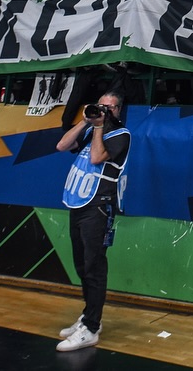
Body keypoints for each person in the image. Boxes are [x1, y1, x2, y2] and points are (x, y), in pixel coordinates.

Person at [55, 91, 131, 353]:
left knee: (94, 266)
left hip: (98, 207)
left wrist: (98, 127)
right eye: (100, 106)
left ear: (118, 110)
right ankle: (89, 317)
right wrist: (85, 121)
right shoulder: (90, 129)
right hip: (78, 203)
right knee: (81, 265)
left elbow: (97, 158)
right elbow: (62, 145)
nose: (104, 111)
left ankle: (90, 327)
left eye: (109, 107)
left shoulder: (121, 135)